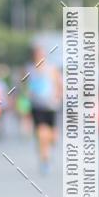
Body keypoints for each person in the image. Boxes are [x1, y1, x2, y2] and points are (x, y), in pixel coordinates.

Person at [27, 46, 62, 174]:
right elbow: (24, 87)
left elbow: (59, 84)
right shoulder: (29, 69)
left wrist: (58, 95)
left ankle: (50, 145)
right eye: (36, 54)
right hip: (37, 106)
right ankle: (44, 159)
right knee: (41, 133)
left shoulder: (52, 69)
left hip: (51, 106)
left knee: (52, 136)